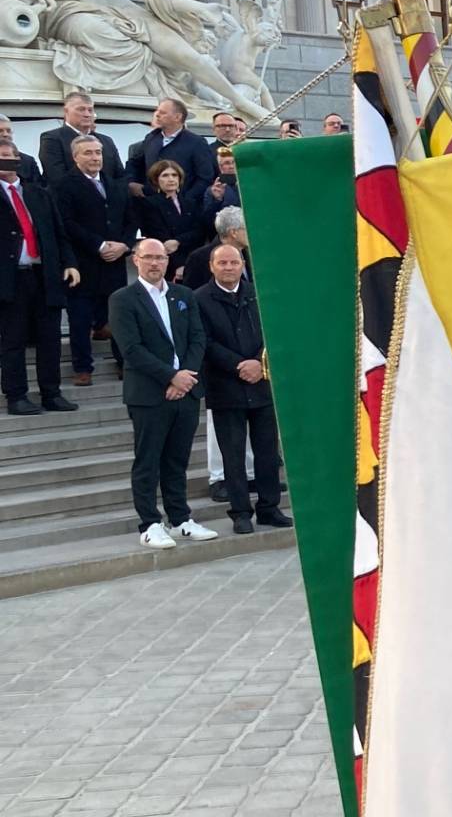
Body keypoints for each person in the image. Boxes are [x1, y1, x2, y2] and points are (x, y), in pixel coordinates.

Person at [109, 238, 217, 548]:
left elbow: (198, 338)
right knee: (148, 460)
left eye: (161, 258)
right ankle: (150, 523)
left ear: (168, 262)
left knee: (177, 460)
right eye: (149, 258)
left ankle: (180, 518)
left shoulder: (183, 295)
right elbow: (131, 349)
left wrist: (186, 378)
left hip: (186, 391)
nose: (155, 263)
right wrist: (171, 376)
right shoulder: (123, 299)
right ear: (136, 261)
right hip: (148, 394)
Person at [193, 243, 289, 534]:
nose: (228, 267)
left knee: (267, 452)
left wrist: (260, 363)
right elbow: (204, 342)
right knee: (232, 456)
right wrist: (238, 365)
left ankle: (270, 508)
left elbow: (276, 332)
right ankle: (240, 513)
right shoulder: (199, 299)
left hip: (262, 385)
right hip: (226, 388)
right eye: (222, 263)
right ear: (212, 266)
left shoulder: (258, 294)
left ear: (242, 265)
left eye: (234, 262)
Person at [0, 145, 79, 416]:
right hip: (11, 279)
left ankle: (51, 392)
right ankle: (16, 395)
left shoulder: (39, 193)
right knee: (13, 339)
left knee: (50, 338)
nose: (7, 163)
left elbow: (59, 233)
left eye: (12, 158)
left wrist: (69, 263)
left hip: (44, 276)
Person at [51, 131, 134, 385]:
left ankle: (123, 363)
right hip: (84, 263)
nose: (95, 157)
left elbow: (131, 220)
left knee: (118, 317)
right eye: (88, 152)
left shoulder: (116, 185)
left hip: (115, 264)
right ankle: (82, 368)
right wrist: (98, 245)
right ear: (75, 157)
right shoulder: (63, 186)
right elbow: (66, 223)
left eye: (98, 152)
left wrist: (124, 245)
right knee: (80, 320)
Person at [126, 97, 216, 202]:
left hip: (181, 207)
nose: (157, 115)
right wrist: (131, 182)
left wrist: (186, 199)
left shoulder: (197, 143)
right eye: (157, 111)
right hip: (150, 204)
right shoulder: (152, 137)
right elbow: (135, 163)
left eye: (163, 112)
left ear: (177, 117)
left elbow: (205, 177)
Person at [38, 90, 126, 190]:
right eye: (81, 109)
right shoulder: (52, 139)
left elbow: (120, 176)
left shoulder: (106, 141)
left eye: (90, 110)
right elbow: (56, 176)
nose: (87, 114)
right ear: (66, 111)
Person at [134, 159, 195, 280]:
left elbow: (198, 231)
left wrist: (178, 241)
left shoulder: (190, 203)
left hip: (191, 260)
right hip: (168, 264)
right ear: (156, 180)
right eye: (165, 175)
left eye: (174, 175)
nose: (171, 179)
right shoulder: (149, 204)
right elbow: (158, 235)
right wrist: (179, 264)